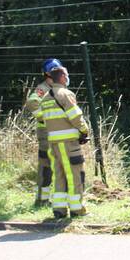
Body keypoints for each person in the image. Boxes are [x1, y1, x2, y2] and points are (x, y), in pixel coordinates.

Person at [38, 58, 90, 219]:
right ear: (61, 77)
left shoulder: (45, 97)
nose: (67, 78)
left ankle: (59, 209)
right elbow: (76, 117)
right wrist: (84, 131)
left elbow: (44, 119)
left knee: (58, 175)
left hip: (53, 143)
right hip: (69, 144)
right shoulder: (66, 94)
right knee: (75, 175)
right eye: (66, 75)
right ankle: (77, 209)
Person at [24, 69, 55, 205]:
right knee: (46, 166)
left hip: (53, 133)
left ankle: (44, 199)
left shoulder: (53, 88)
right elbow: (31, 102)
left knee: (52, 166)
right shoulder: (43, 89)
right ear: (49, 75)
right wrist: (44, 118)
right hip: (46, 133)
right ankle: (42, 199)